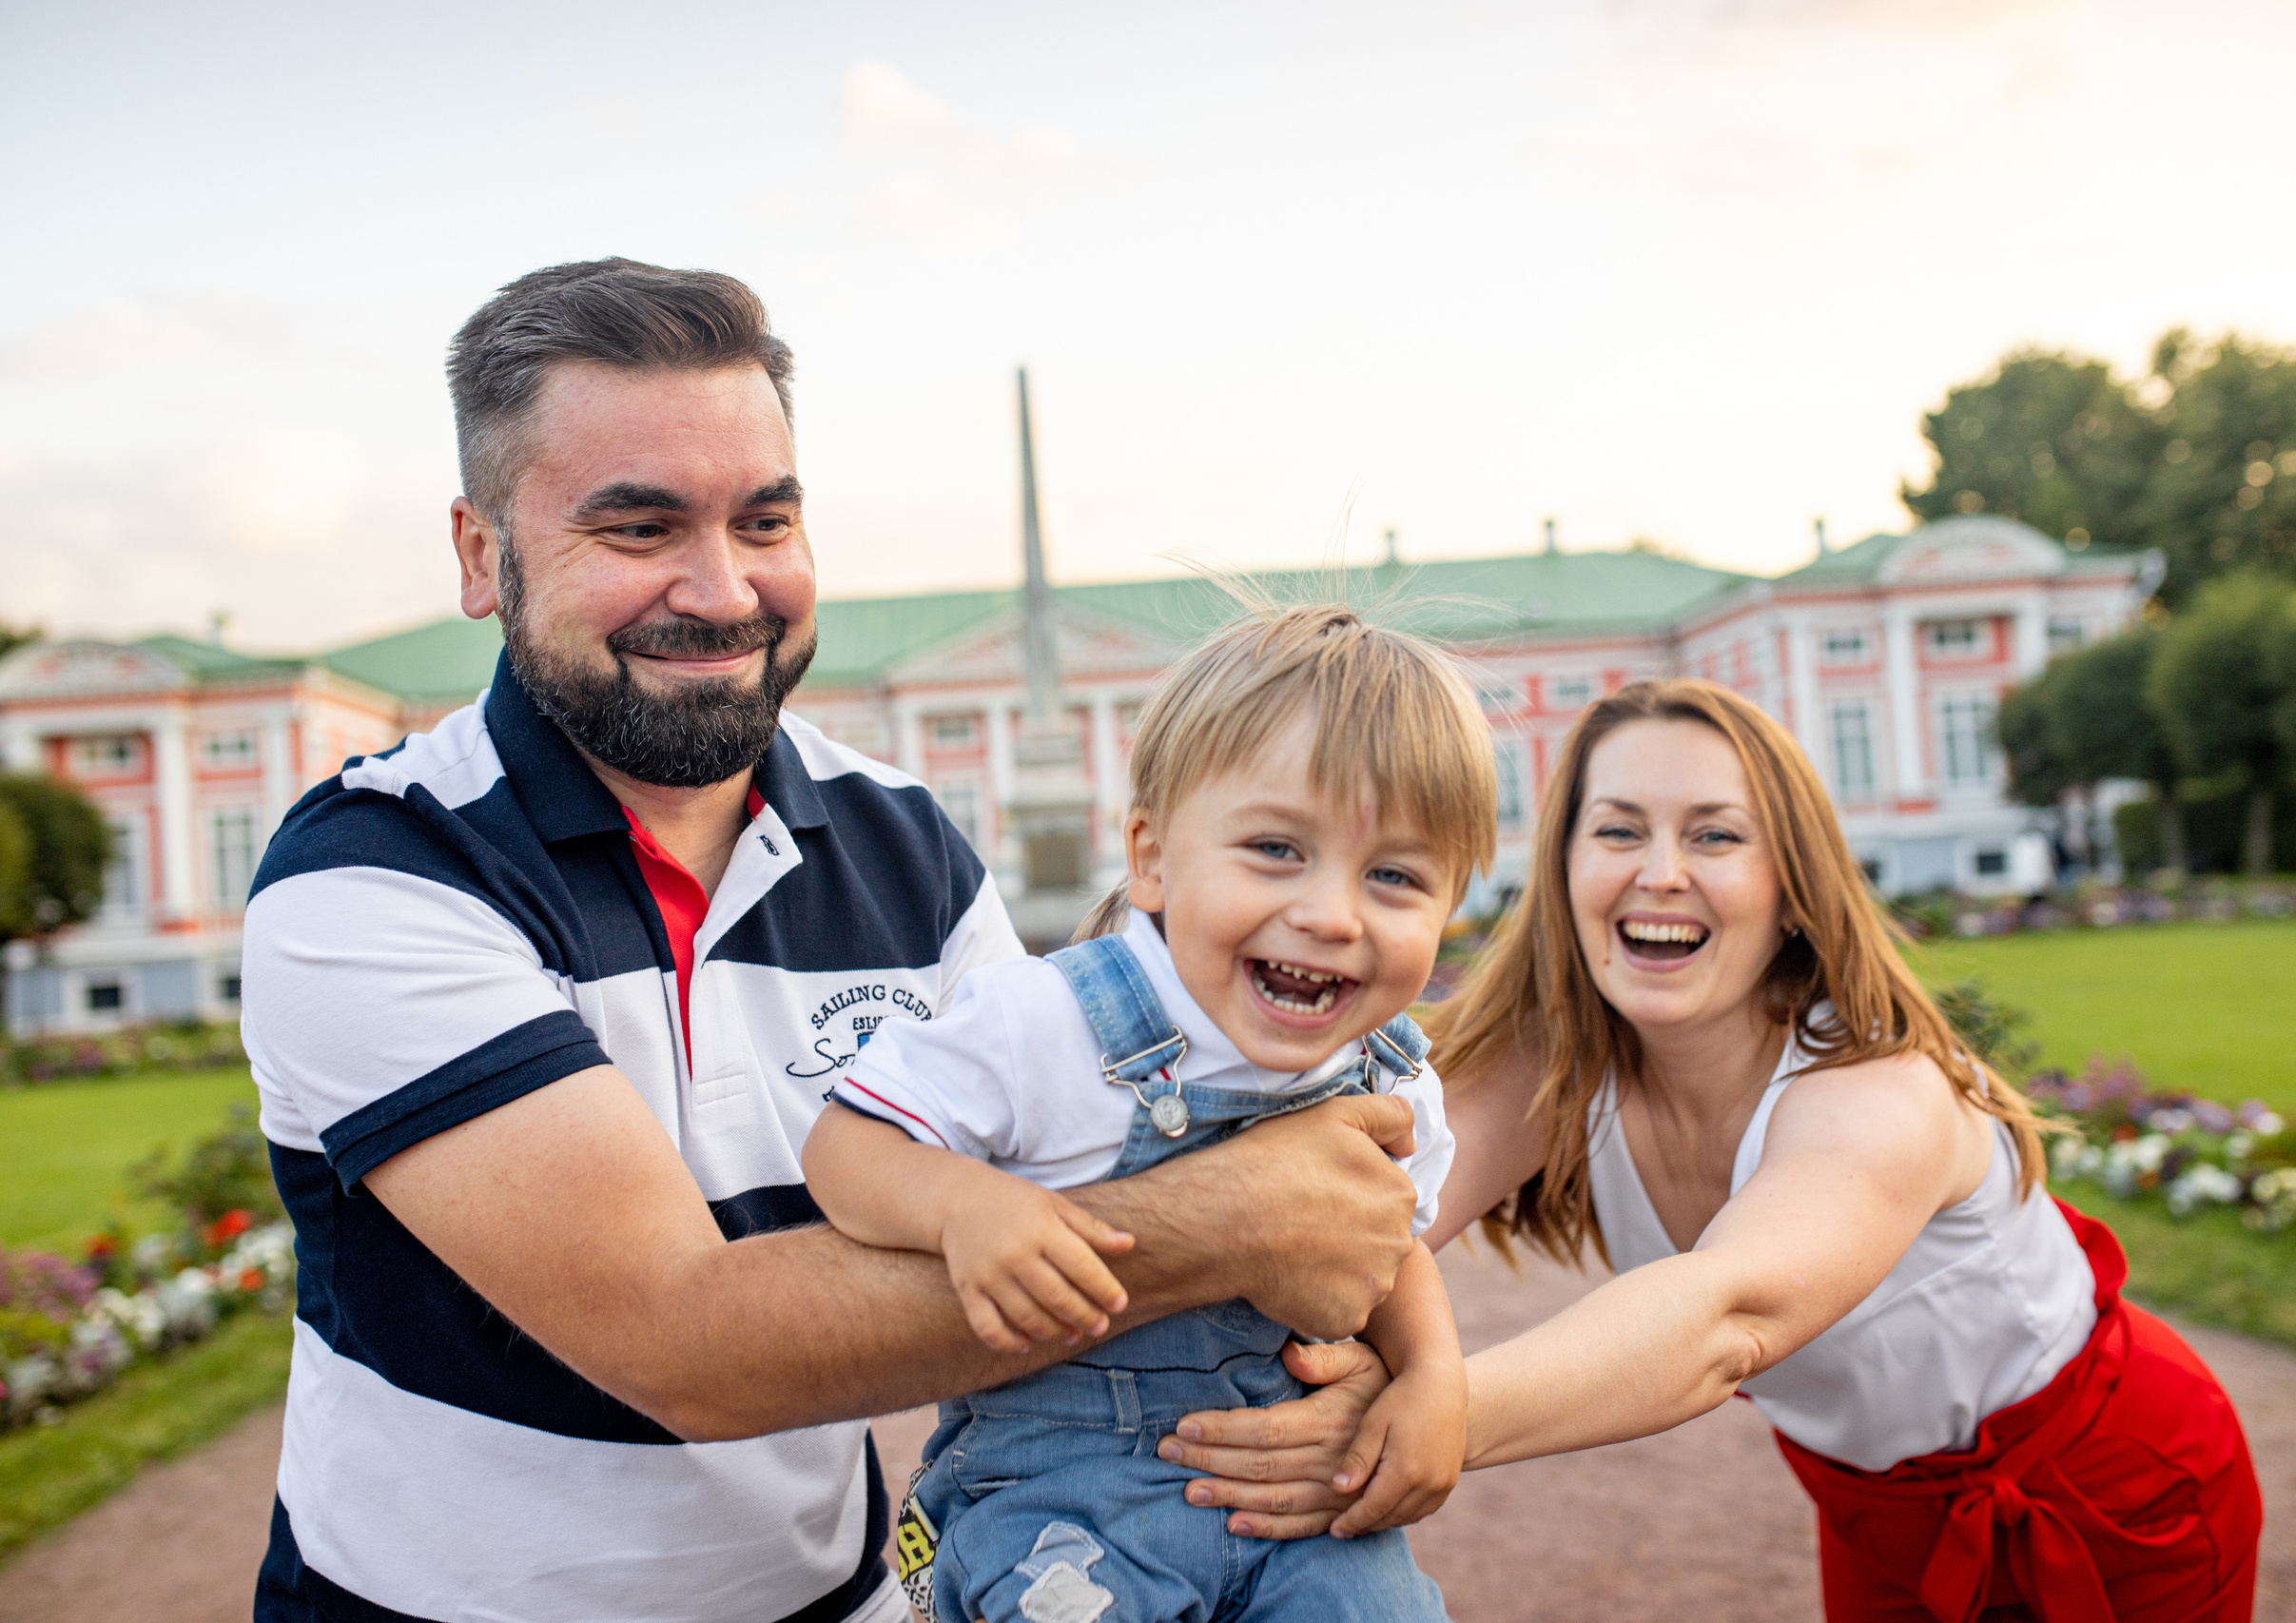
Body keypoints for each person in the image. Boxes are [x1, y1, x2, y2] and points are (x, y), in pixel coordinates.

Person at [240, 259, 1427, 1623]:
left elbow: (1082, 1159)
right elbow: (684, 1342)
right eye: (637, 529)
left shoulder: (906, 843)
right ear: (478, 552)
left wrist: (1353, 1383)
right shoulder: (379, 865)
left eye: (766, 517)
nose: (723, 586)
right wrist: (1246, 1217)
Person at [1169, 679, 2264, 1621]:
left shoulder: (1875, 1086)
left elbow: (1725, 1317)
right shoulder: (1558, 1063)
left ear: (1789, 885)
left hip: (2119, 1481)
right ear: (1561, 869)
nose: (1659, 871)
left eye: (1713, 833)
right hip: (1873, 1503)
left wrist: (1431, 1411)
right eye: (1617, 830)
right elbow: (1350, 1213)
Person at [804, 604, 1483, 1623]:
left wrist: (1433, 1375)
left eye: (1393, 874)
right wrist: (960, 1206)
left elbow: (1394, 1245)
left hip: (1286, 1500)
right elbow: (846, 1142)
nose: (1334, 913)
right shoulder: (1047, 1017)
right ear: (1152, 856)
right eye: (1275, 848)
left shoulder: (1388, 1074)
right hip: (1058, 1494)